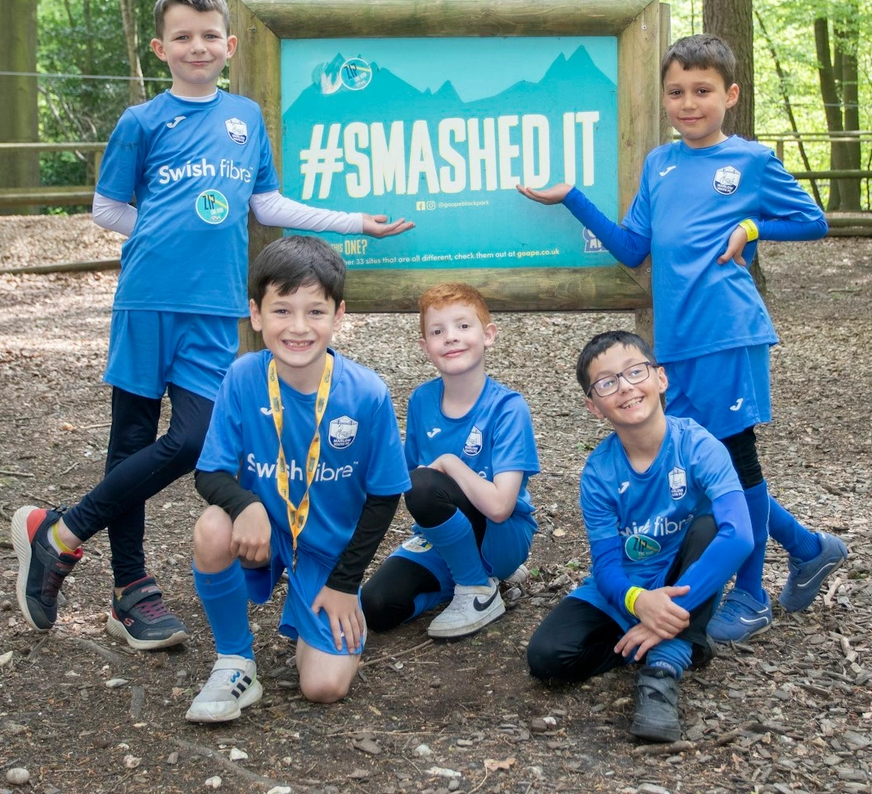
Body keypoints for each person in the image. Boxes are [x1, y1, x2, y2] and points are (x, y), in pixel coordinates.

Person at [11, 0, 411, 650]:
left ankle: (59, 532)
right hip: (145, 301)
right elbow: (107, 211)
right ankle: (130, 592)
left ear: (228, 46)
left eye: (208, 36)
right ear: (160, 48)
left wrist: (353, 224)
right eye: (182, 36)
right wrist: (163, 230)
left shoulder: (245, 118)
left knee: (195, 438)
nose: (197, 47)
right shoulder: (141, 121)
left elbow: (269, 205)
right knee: (131, 446)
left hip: (215, 307)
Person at [519, 33, 846, 644]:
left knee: (736, 462)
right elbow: (632, 249)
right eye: (676, 92)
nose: (688, 103)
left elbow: (814, 220)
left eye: (702, 91)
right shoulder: (659, 164)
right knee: (704, 466)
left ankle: (749, 596)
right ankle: (809, 548)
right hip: (673, 344)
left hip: (727, 334)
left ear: (730, 95)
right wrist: (572, 199)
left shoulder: (750, 160)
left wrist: (751, 226)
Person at [186, 235, 411, 720]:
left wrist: (347, 582)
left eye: (315, 311)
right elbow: (210, 471)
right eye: (282, 310)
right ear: (257, 314)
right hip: (261, 536)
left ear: (338, 315)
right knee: (211, 527)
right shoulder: (243, 377)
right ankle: (234, 662)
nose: (298, 327)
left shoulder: (367, 393)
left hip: (328, 555)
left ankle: (313, 610)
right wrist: (245, 505)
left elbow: (385, 495)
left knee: (324, 688)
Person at [526, 330, 751, 742]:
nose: (626, 387)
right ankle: (679, 639)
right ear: (594, 406)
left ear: (660, 379)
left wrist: (663, 617)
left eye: (635, 371)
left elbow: (740, 537)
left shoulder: (699, 447)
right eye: (607, 382)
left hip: (685, 581)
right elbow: (607, 565)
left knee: (711, 527)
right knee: (546, 658)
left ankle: (663, 664)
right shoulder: (599, 472)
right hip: (629, 588)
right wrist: (639, 602)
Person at [361, 283, 539, 640]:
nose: (451, 338)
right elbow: (403, 478)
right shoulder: (421, 400)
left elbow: (502, 507)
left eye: (463, 326)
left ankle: (478, 589)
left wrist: (449, 461)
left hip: (501, 536)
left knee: (425, 486)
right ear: (425, 347)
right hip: (442, 538)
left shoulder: (507, 408)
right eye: (438, 331)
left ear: (488, 335)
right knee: (376, 607)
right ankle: (465, 574)